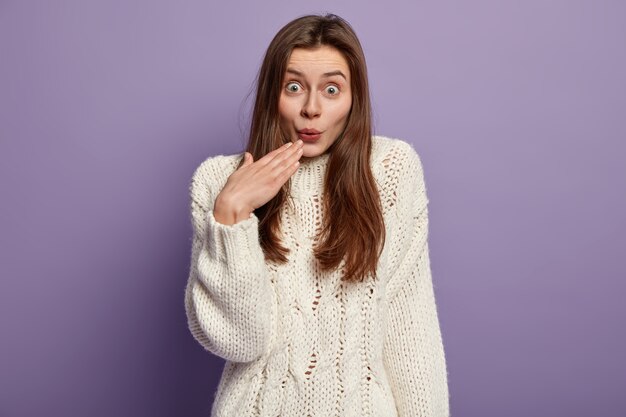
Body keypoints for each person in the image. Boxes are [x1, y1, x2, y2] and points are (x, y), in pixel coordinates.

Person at [184, 13, 449, 417]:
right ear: (272, 93)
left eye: (331, 89)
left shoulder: (391, 169)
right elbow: (240, 343)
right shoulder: (219, 180)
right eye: (293, 87)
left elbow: (410, 333)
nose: (312, 108)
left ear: (353, 97)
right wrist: (231, 215)